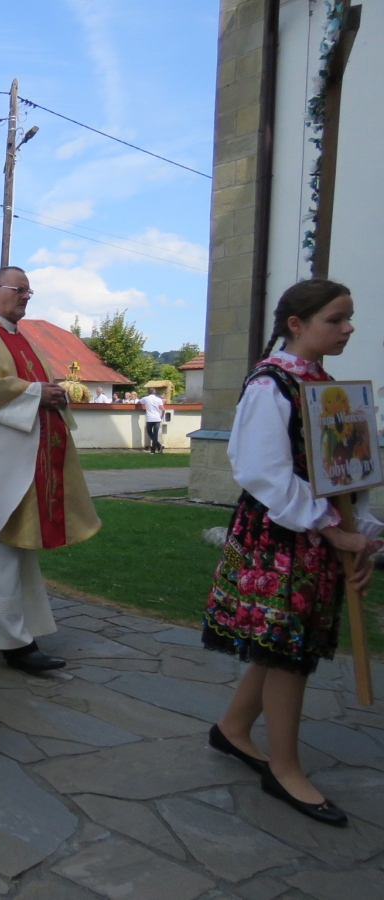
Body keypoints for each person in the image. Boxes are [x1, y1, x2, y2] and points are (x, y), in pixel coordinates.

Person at [204, 279, 379, 827]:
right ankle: (284, 768)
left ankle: (233, 730)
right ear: (297, 325)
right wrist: (332, 530)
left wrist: (362, 532)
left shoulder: (327, 386)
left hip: (316, 534)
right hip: (280, 537)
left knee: (282, 644)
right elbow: (262, 472)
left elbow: (345, 473)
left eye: (348, 317)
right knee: (287, 650)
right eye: (336, 319)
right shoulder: (270, 385)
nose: (348, 328)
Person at [0, 266, 100, 673]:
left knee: (7, 548)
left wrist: (50, 394)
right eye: (19, 289)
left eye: (28, 292)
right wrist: (35, 392)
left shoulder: (21, 336)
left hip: (23, 457)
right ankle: (15, 643)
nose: (25, 297)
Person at [138, 388, 165, 452]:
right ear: (155, 392)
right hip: (157, 418)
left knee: (149, 432)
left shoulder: (146, 398)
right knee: (155, 434)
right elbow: (163, 409)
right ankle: (157, 447)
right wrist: (161, 416)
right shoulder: (158, 399)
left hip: (149, 418)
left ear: (148, 392)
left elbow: (138, 402)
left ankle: (154, 449)